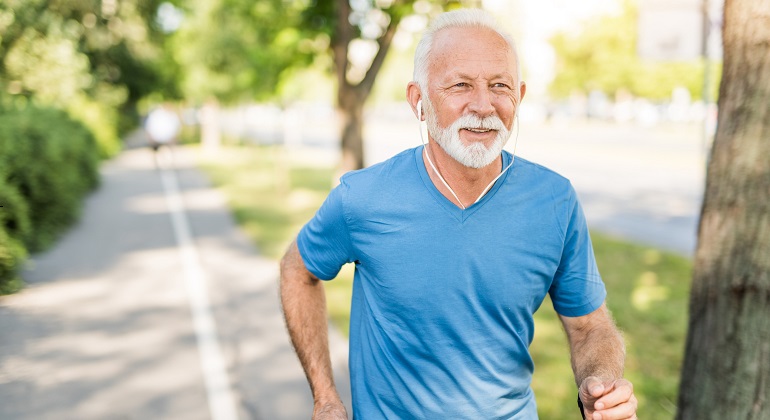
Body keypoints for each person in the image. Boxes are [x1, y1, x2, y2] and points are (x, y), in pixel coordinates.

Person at [280, 8, 638, 420]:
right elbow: (297, 270)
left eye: (499, 85)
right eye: (461, 85)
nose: (483, 105)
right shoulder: (363, 198)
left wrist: (600, 384)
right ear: (420, 100)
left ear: (518, 96)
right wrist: (325, 397)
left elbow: (590, 327)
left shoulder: (555, 200)